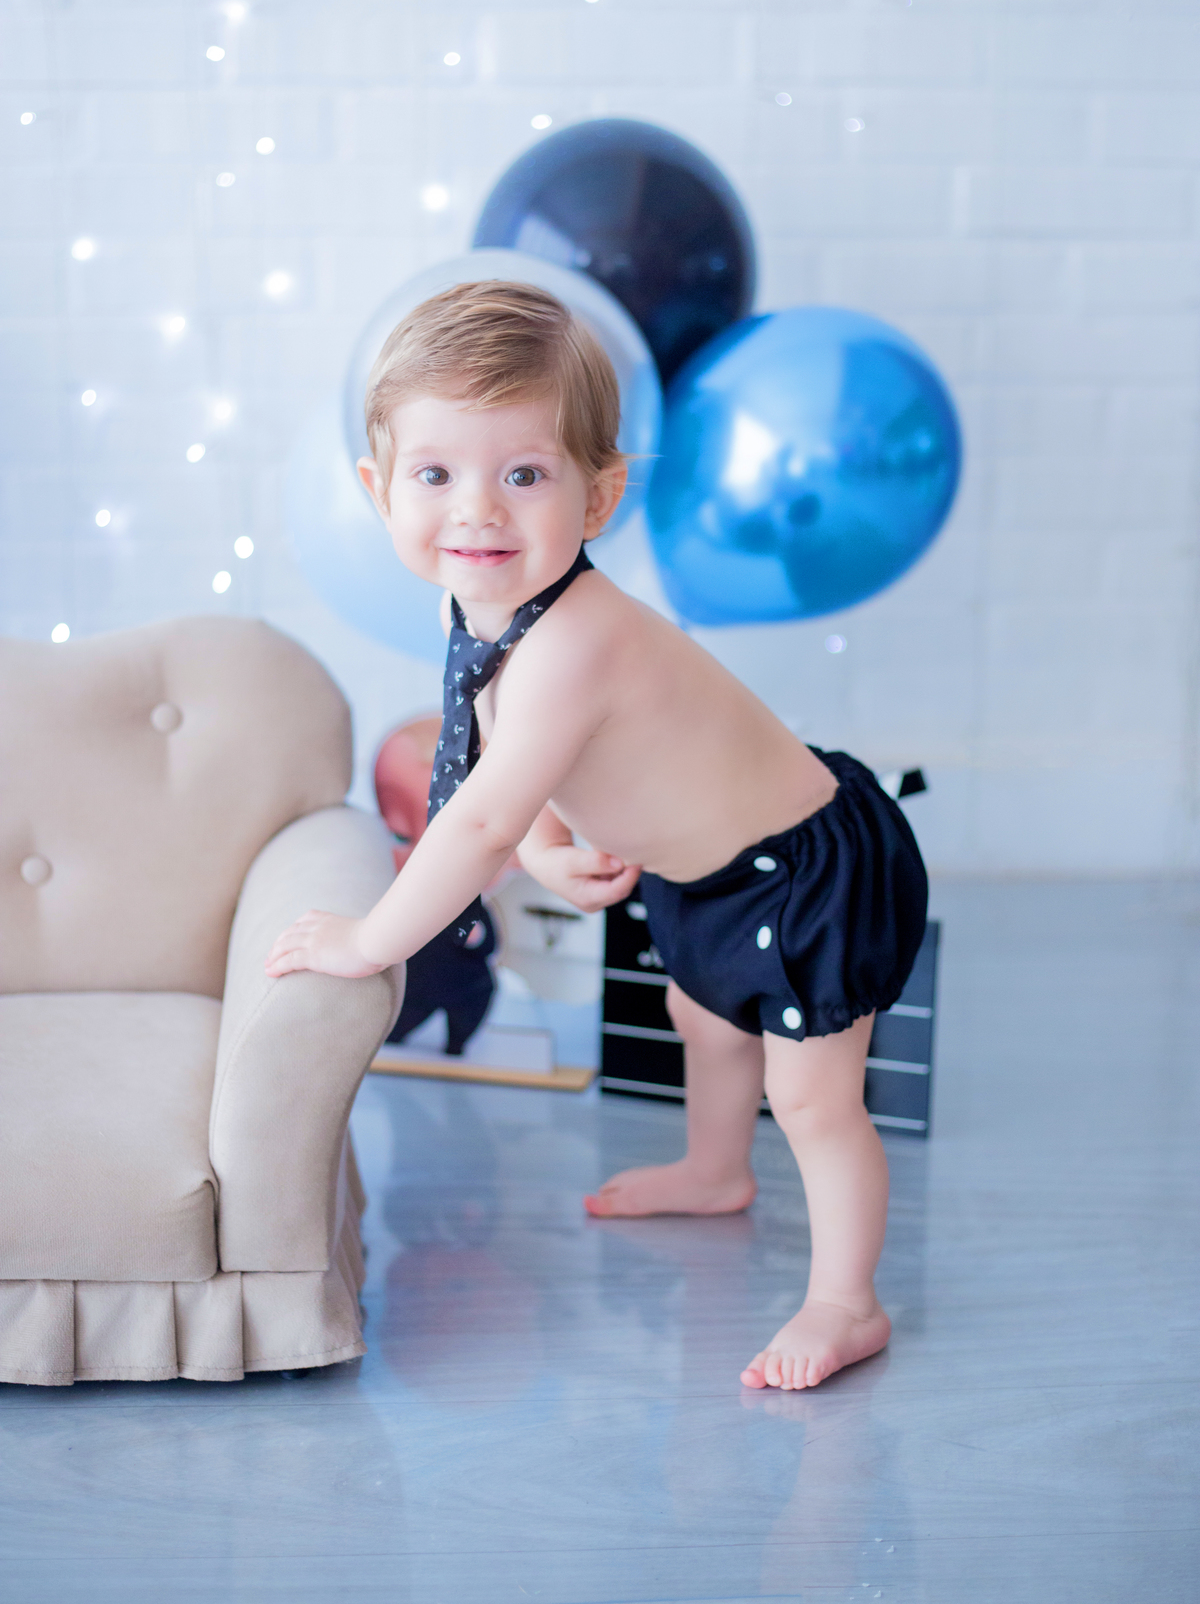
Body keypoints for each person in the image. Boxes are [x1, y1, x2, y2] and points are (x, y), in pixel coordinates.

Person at [266, 281, 928, 1391]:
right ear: (380, 492)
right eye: (436, 475)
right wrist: (547, 844)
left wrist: (373, 938)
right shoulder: (474, 601)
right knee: (700, 1015)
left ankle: (846, 1300)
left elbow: (477, 814)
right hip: (703, 873)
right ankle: (718, 1173)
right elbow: (499, 755)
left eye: (522, 474)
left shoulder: (574, 640)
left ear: (601, 494)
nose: (476, 512)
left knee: (811, 1095)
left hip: (803, 871)